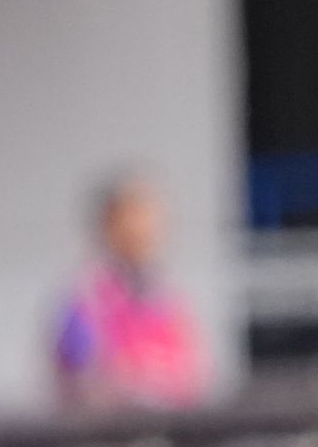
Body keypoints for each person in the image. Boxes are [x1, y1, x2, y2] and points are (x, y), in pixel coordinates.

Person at [51, 169, 205, 410]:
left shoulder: (168, 300)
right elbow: (79, 382)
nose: (145, 228)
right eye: (135, 214)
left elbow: (190, 376)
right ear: (109, 225)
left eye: (151, 217)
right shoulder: (86, 301)